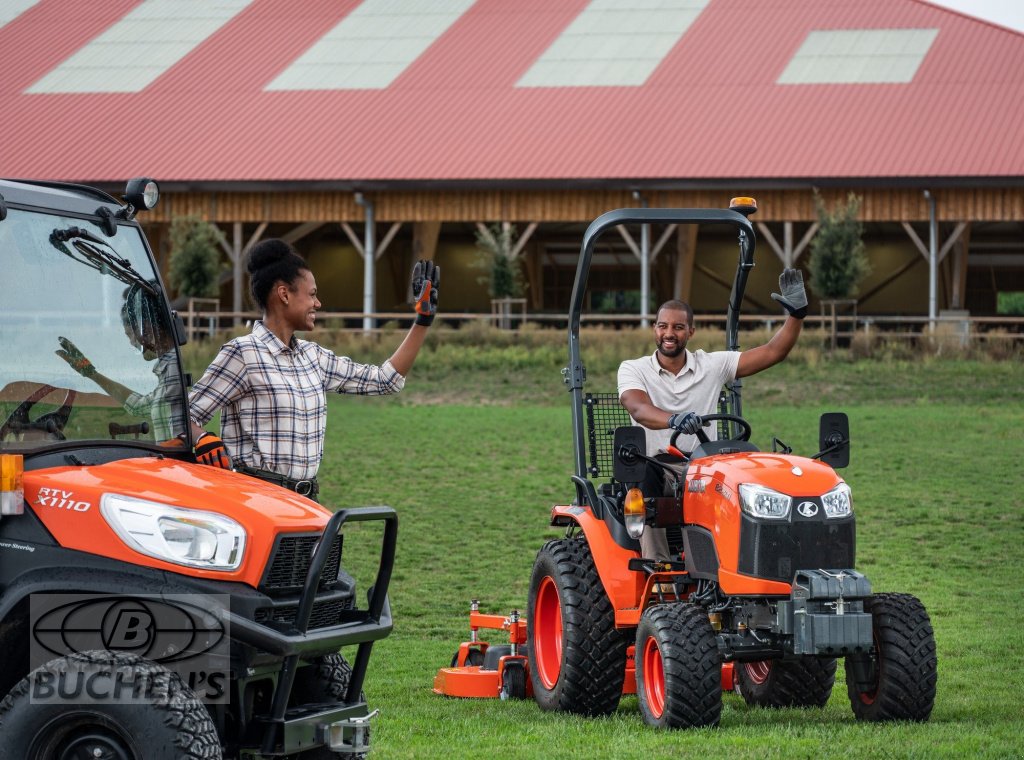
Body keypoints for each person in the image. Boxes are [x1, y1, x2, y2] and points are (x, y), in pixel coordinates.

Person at [187, 238, 440, 501]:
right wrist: (203, 438)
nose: (318, 303)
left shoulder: (313, 357)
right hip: (257, 500)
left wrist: (422, 320)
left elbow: (385, 380)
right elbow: (182, 416)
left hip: (307, 500)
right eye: (312, 294)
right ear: (284, 294)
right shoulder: (243, 353)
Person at [617, 268, 808, 561]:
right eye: (662, 326)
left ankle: (737, 569)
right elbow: (637, 407)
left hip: (702, 467)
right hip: (658, 466)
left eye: (678, 327)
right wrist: (674, 419)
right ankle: (659, 569)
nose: (669, 334)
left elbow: (772, 352)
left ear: (691, 332)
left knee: (746, 481)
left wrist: (795, 317)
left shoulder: (712, 365)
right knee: (645, 480)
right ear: (655, 329)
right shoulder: (633, 368)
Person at [56, 281, 187, 443]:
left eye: (129, 334)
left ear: (144, 328)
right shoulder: (167, 369)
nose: (132, 342)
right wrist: (91, 373)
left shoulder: (174, 367)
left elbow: (188, 422)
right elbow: (137, 405)